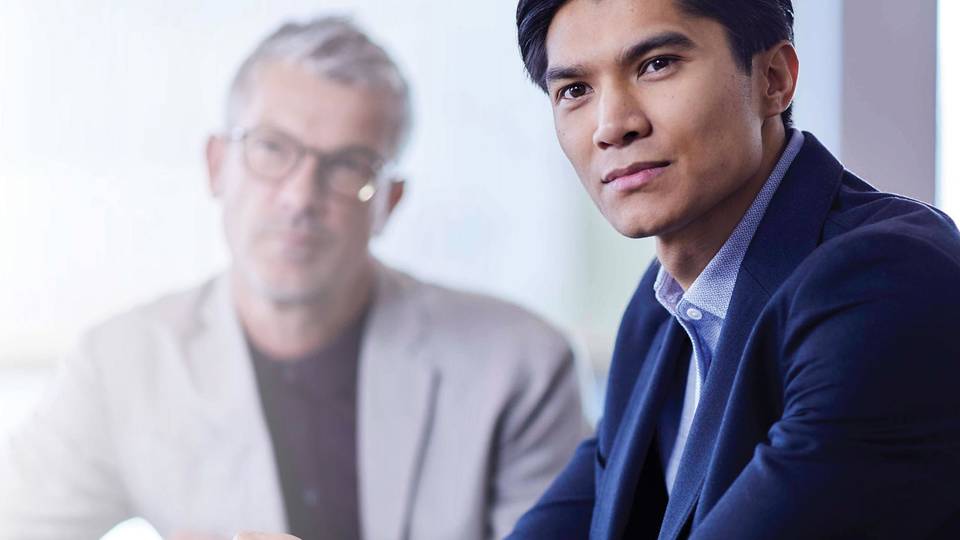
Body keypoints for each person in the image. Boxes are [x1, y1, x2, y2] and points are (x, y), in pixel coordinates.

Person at [0, 17, 586, 540]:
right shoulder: (117, 366)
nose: (299, 198)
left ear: (390, 203)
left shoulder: (522, 368)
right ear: (215, 165)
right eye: (272, 149)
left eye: (347, 166)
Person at [507, 0, 960, 538]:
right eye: (575, 91)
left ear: (774, 79)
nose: (613, 126)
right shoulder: (660, 312)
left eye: (657, 64)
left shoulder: (883, 283)